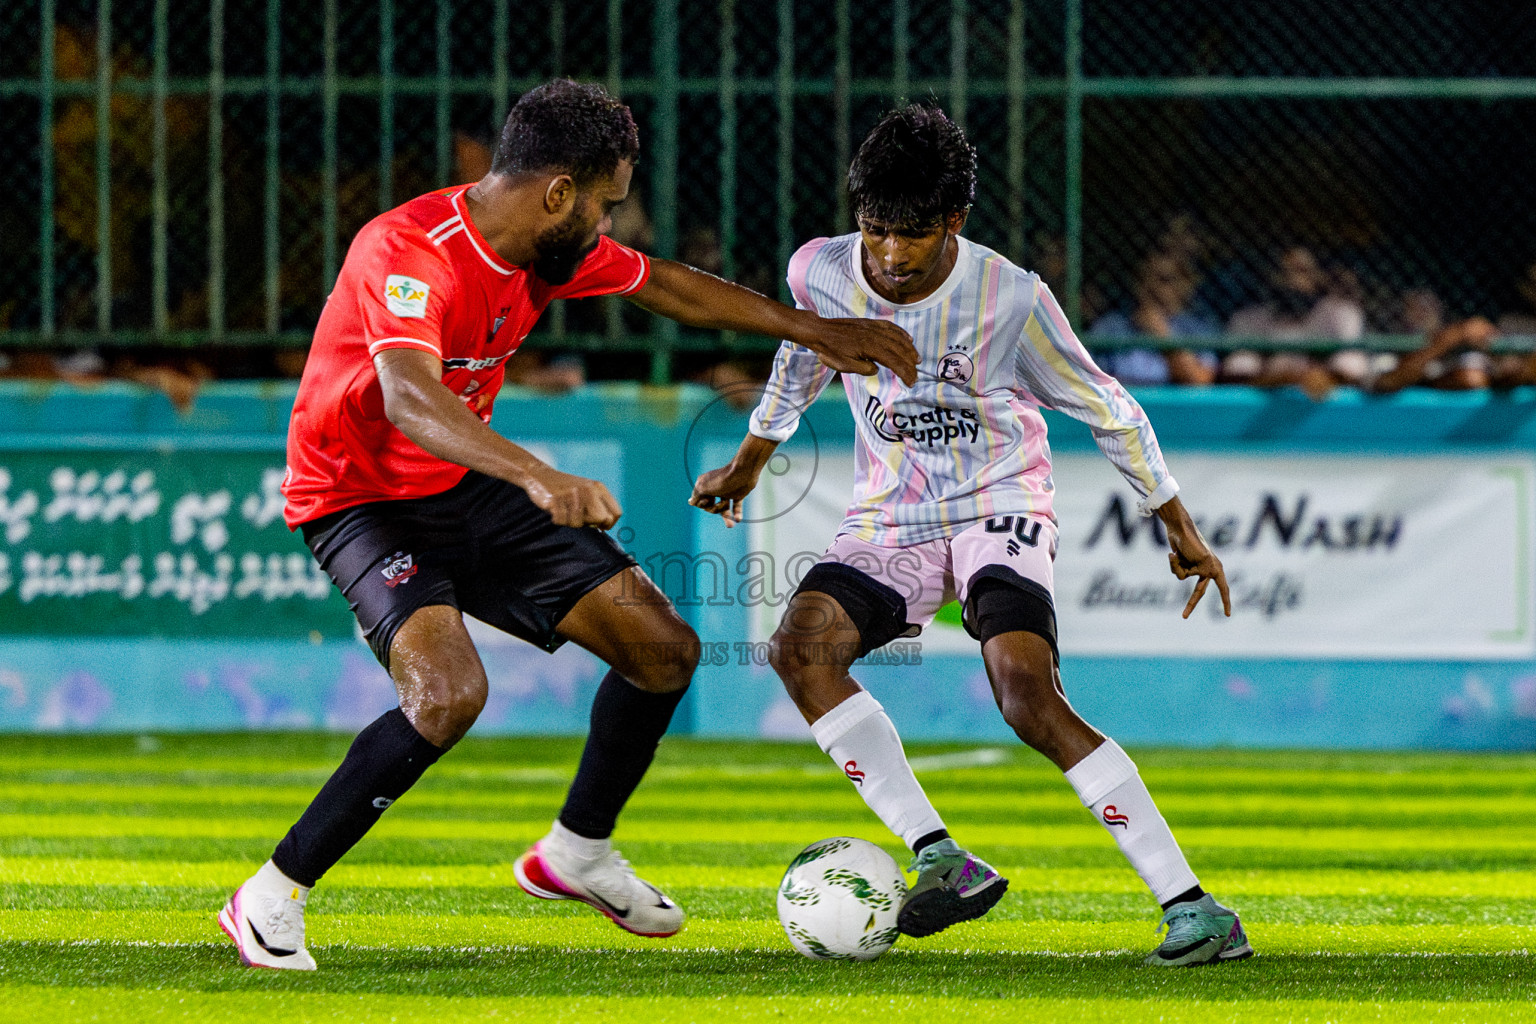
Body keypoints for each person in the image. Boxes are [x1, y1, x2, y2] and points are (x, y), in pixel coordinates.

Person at [217, 79, 918, 971]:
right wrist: (538, 475)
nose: (610, 225)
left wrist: (813, 329)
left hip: (465, 484)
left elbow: (665, 286)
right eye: (606, 204)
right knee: (446, 695)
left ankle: (576, 852)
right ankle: (270, 894)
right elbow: (407, 397)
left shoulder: (544, 251)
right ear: (558, 193)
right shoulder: (410, 250)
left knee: (662, 649)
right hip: (360, 500)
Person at [691, 105, 1253, 968]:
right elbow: (803, 356)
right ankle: (940, 856)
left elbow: (1109, 406)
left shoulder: (1010, 298)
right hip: (891, 514)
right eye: (875, 228)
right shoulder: (821, 270)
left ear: (954, 220)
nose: (889, 253)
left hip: (1000, 500)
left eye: (911, 233)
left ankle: (1196, 909)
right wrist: (748, 462)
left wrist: (1175, 521)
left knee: (1025, 695)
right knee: (800, 653)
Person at [1089, 250, 1219, 386]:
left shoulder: (1196, 327)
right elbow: (1089, 378)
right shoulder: (1111, 325)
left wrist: (1163, 335)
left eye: (1164, 280)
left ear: (1184, 285)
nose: (1152, 286)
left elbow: (1200, 381)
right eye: (1144, 278)